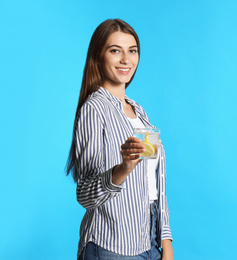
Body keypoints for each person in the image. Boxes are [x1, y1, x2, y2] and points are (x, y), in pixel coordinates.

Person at [66, 19, 173, 260]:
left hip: (150, 245)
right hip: (111, 247)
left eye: (132, 51)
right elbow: (85, 195)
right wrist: (123, 168)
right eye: (115, 50)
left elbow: (153, 188)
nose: (126, 60)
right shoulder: (94, 109)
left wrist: (166, 242)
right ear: (98, 57)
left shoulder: (139, 112)